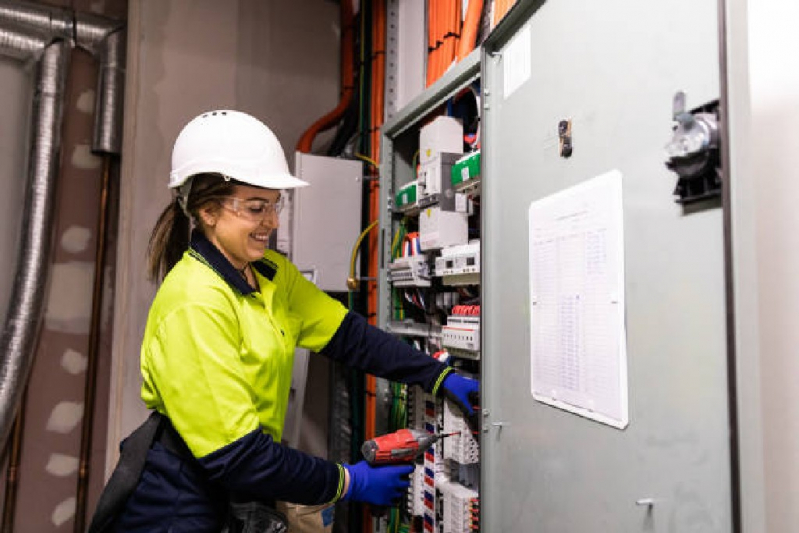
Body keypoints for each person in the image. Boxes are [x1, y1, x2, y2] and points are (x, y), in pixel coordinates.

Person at [112, 110, 480, 532]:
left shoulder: (269, 272)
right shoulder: (194, 302)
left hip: (234, 483)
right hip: (179, 501)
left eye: (274, 205)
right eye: (256, 208)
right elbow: (237, 456)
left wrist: (438, 376)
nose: (272, 222)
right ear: (208, 211)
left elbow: (349, 337)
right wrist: (350, 481)